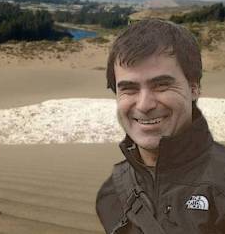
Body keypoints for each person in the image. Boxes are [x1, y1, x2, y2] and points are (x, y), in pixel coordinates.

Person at [96, 19, 225, 234]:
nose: (145, 105)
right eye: (129, 89)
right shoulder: (111, 194)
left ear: (194, 88)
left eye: (161, 85)